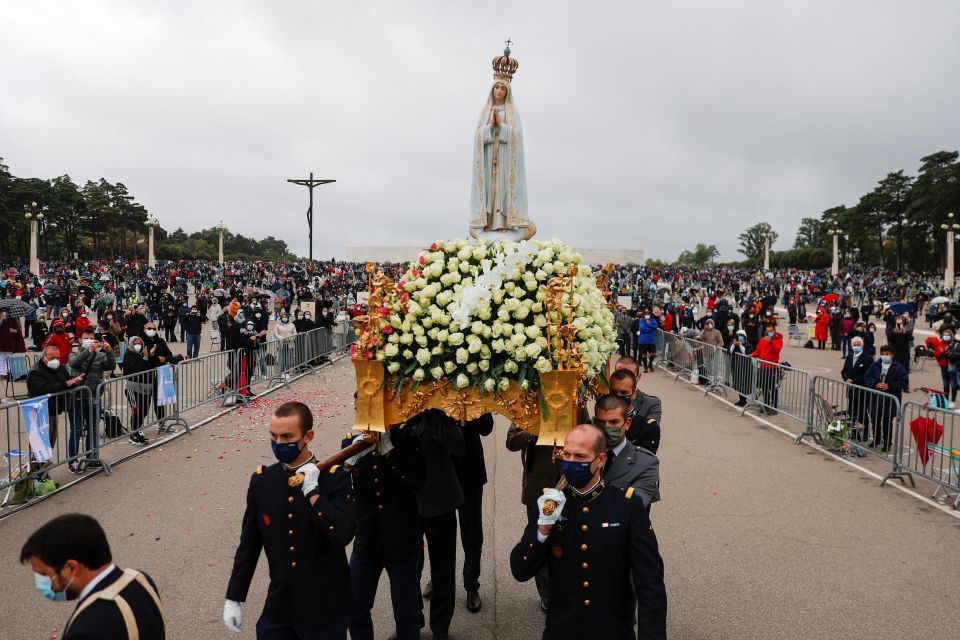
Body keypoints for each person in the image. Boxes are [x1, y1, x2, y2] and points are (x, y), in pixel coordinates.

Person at [510, 423, 667, 640]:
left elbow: (650, 585)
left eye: (580, 457)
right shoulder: (552, 506)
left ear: (600, 460)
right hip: (562, 630)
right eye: (567, 455)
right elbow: (520, 570)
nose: (571, 463)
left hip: (611, 630)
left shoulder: (626, 507)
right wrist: (542, 529)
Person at [224, 401, 355, 639]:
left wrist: (314, 492)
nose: (279, 443)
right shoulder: (263, 481)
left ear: (308, 436)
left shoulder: (334, 479)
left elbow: (341, 535)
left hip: (325, 608)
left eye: (287, 437)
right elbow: (249, 544)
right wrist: (234, 596)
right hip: (280, 606)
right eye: (273, 436)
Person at [20, 513, 165, 639]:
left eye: (44, 574)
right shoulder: (140, 579)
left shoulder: (86, 629)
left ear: (72, 568)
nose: (41, 583)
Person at [342, 422, 426, 640]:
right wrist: (347, 465)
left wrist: (390, 452)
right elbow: (340, 491)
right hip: (367, 541)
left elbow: (417, 480)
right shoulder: (351, 441)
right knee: (355, 608)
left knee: (407, 616)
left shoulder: (406, 437)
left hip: (401, 540)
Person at [412, 409, 465, 640]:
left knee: (443, 569)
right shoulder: (399, 410)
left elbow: (458, 446)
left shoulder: (441, 414)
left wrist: (434, 418)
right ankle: (412, 619)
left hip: (441, 501)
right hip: (408, 503)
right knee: (407, 569)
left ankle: (440, 626)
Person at [451, 413, 493, 613]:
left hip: (470, 470)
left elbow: (487, 427)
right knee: (439, 534)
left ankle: (471, 584)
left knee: (472, 533)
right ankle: (439, 579)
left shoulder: (474, 384)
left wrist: (469, 411)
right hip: (441, 471)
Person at [593, 394, 660, 510]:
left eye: (614, 422)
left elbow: (631, 508)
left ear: (627, 424)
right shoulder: (583, 455)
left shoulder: (646, 463)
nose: (607, 428)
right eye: (601, 422)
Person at [27, 345, 86, 463]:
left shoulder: (60, 368)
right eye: (52, 357)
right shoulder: (35, 371)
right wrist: (67, 384)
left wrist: (75, 381)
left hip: (53, 410)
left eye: (58, 358)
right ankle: (36, 475)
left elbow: (67, 379)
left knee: (49, 444)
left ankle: (43, 474)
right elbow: (45, 388)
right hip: (40, 412)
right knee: (40, 446)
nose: (56, 360)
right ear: (44, 357)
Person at [67, 329, 116, 465]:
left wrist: (109, 351)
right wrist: (88, 351)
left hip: (94, 398)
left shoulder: (99, 356)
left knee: (93, 430)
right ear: (80, 340)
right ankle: (72, 461)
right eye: (86, 338)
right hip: (77, 397)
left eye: (92, 338)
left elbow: (111, 366)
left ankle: (91, 457)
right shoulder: (74, 353)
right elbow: (73, 363)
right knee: (76, 431)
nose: (89, 340)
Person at [864, 345, 909, 452]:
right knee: (875, 419)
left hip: (890, 399)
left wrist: (890, 386)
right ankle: (877, 439)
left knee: (887, 421)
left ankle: (887, 442)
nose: (885, 356)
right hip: (875, 397)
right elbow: (867, 377)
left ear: (892, 355)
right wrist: (875, 384)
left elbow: (904, 382)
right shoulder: (875, 365)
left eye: (887, 354)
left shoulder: (899, 367)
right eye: (883, 354)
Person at [609, 369, 661, 453]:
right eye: (613, 392)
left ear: (634, 394)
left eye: (623, 392)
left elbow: (644, 462)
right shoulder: (598, 422)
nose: (618, 396)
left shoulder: (648, 428)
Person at [119, 336, 156, 445]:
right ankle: (133, 435)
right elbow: (136, 368)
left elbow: (149, 367)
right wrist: (145, 358)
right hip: (133, 389)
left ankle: (137, 430)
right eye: (135, 343)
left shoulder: (143, 353)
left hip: (145, 388)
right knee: (137, 411)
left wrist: (150, 355)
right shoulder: (128, 355)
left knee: (144, 410)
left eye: (139, 343)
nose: (137, 345)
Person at [840, 336, 874, 441]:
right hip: (851, 391)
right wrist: (846, 379)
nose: (856, 347)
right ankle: (854, 433)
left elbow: (867, 374)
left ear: (862, 345)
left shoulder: (868, 358)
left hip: (862, 391)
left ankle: (864, 434)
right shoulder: (849, 357)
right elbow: (844, 371)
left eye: (858, 345)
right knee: (852, 413)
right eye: (854, 345)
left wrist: (853, 381)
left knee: (862, 413)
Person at [750, 325, 783, 415]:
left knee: (773, 388)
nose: (769, 332)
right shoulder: (762, 340)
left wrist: (771, 342)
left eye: (771, 330)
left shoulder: (778, 340)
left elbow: (777, 350)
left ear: (774, 331)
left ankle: (774, 407)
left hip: (772, 368)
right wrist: (752, 354)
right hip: (763, 367)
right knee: (764, 387)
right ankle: (766, 404)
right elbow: (758, 351)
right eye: (767, 330)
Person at [727, 329, 754, 407]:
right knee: (738, 383)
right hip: (736, 367)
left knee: (744, 384)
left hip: (745, 368)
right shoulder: (733, 344)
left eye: (741, 336)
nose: (740, 337)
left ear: (745, 337)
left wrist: (740, 345)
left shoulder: (748, 345)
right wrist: (733, 344)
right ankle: (740, 399)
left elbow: (747, 353)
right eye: (738, 336)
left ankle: (744, 400)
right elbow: (729, 352)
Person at [0, 309, 27, 387]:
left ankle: (8, 373)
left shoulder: (12, 320)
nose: (5, 313)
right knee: (1, 359)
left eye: (6, 312)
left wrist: (13, 330)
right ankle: (2, 374)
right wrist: (1, 319)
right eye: (2, 312)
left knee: (9, 358)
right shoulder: (1, 318)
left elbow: (17, 330)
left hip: (10, 342)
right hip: (1, 342)